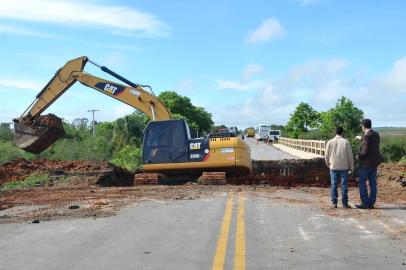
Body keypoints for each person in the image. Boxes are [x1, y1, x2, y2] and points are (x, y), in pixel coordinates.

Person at [356, 119, 383, 209]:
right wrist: (361, 138)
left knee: (362, 183)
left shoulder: (367, 136)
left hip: (366, 164)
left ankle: (365, 203)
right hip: (374, 163)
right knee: (372, 184)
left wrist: (358, 156)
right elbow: (371, 144)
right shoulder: (376, 134)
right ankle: (371, 202)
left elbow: (365, 151)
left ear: (363, 126)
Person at [325, 126, 354, 208]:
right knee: (344, 185)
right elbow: (350, 156)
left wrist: (328, 164)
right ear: (342, 132)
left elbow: (326, 156)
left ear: (335, 132)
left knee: (333, 184)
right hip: (344, 167)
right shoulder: (346, 142)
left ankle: (334, 203)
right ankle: (345, 203)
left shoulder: (330, 142)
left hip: (333, 166)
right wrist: (351, 167)